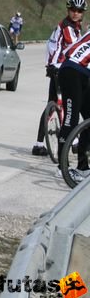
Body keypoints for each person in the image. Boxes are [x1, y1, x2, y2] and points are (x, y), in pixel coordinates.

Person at [32, 0, 85, 156]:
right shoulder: (68, 28)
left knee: (53, 103)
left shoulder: (72, 26)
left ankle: (39, 144)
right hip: (61, 69)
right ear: (68, 10)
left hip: (55, 67)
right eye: (73, 10)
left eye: (79, 11)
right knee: (73, 103)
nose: (75, 13)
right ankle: (74, 142)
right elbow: (76, 48)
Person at [55, 24, 90, 183]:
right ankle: (62, 167)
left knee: (89, 119)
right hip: (71, 71)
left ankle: (83, 167)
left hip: (83, 73)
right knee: (71, 118)